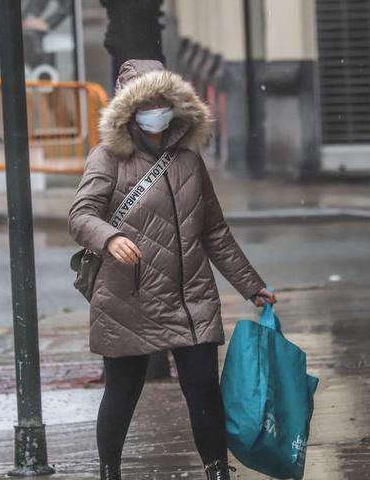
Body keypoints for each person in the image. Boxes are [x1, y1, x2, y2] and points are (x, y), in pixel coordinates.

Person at [68, 59, 277, 480]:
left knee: (202, 390)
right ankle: (109, 470)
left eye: (164, 101)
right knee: (123, 393)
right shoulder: (107, 157)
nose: (157, 110)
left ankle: (217, 469)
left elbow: (215, 230)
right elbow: (80, 214)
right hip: (129, 297)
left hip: (191, 296)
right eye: (148, 102)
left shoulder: (188, 159)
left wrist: (251, 286)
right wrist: (109, 237)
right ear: (130, 108)